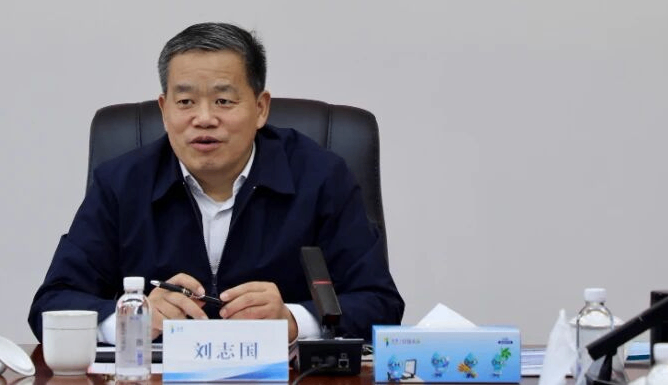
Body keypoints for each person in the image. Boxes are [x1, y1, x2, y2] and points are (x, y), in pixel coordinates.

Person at [28, 22, 403, 343]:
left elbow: (380, 303)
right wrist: (132, 318)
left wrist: (293, 320)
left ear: (261, 108)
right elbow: (51, 306)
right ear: (164, 110)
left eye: (223, 101)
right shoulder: (121, 183)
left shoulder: (320, 177)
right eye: (186, 102)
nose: (204, 118)